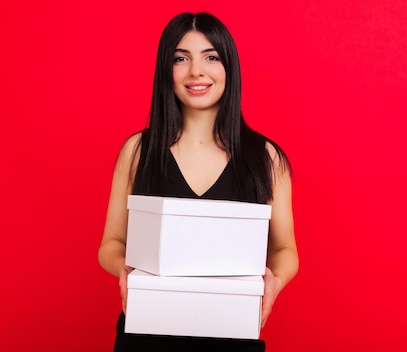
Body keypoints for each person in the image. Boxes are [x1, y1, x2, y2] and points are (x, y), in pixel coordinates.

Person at [98, 12, 299, 351]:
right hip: (146, 334)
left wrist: (274, 280)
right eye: (181, 58)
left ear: (228, 67)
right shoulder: (138, 151)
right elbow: (111, 242)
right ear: (167, 70)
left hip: (231, 331)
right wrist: (124, 268)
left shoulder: (267, 157)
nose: (196, 71)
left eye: (211, 57)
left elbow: (285, 249)